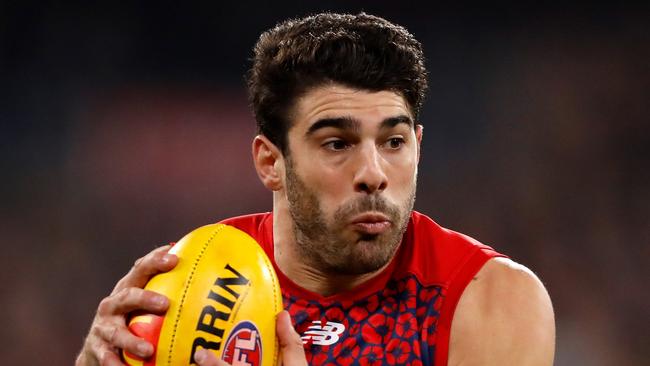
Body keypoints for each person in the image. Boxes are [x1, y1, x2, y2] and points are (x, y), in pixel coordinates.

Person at [76, 12, 555, 366]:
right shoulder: (191, 281)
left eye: (393, 141)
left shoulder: (487, 298)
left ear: (419, 146)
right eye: (337, 143)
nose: (373, 172)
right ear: (271, 162)